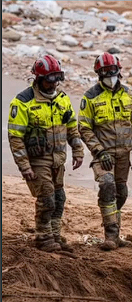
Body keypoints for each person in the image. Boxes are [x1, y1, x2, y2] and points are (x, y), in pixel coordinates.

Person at [8, 55, 84, 252]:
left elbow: (71, 127)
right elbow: (15, 138)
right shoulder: (23, 102)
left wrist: (78, 150)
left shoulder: (62, 98)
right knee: (47, 198)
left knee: (59, 198)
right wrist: (24, 166)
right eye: (49, 80)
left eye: (56, 79)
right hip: (37, 160)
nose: (53, 84)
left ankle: (55, 235)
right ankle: (43, 238)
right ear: (39, 79)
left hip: (58, 159)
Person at [78, 52, 132, 251]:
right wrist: (99, 151)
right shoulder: (90, 97)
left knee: (121, 192)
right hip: (103, 155)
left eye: (112, 71)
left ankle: (115, 230)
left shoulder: (127, 94)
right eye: (105, 72)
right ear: (98, 74)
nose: (110, 75)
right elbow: (84, 128)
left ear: (119, 71)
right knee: (107, 185)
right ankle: (111, 235)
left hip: (124, 153)